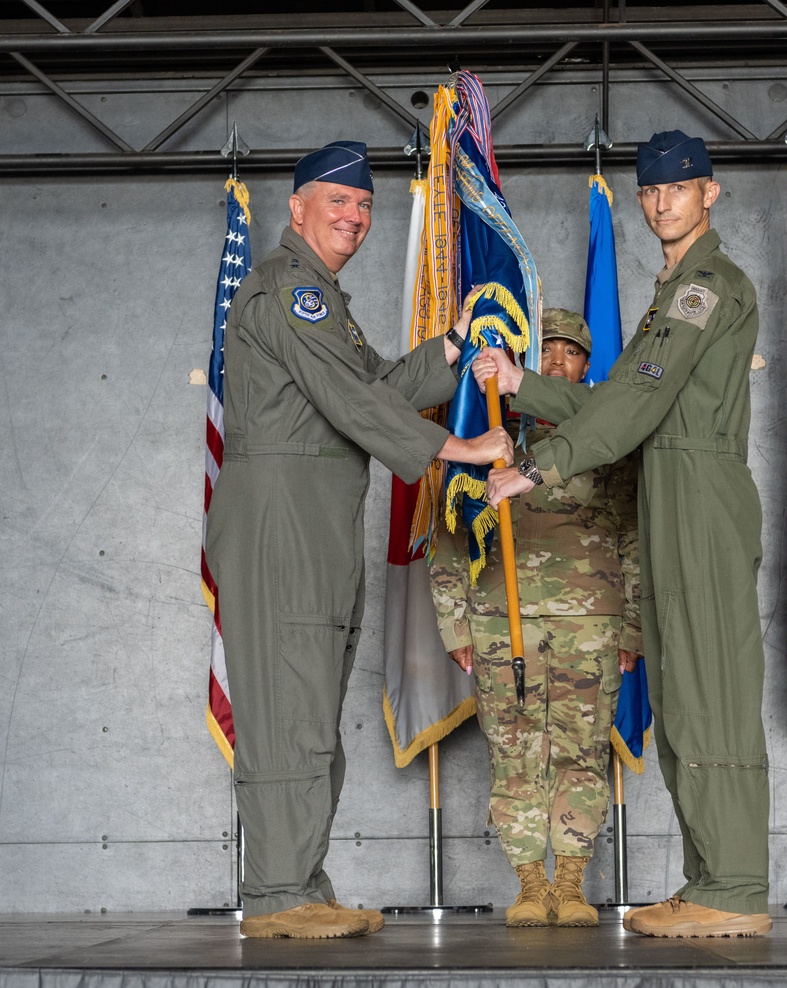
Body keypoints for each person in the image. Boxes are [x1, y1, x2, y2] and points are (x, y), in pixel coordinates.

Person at [204, 140, 512, 940]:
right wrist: (460, 449)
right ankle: (276, 895)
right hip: (282, 520)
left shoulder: (324, 300)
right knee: (286, 707)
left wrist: (452, 345)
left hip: (313, 517)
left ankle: (301, 882)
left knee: (310, 706)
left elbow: (375, 386)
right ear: (297, 207)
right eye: (338, 202)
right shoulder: (286, 293)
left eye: (367, 206)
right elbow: (355, 404)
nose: (355, 217)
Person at [475, 131, 771, 938]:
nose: (660, 202)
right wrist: (523, 384)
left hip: (701, 497)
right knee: (682, 705)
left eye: (678, 189)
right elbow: (619, 400)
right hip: (670, 495)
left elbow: (634, 404)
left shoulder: (704, 288)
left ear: (711, 195)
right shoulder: (668, 291)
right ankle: (711, 879)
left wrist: (539, 469)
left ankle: (737, 887)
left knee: (711, 699)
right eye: (649, 191)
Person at [431, 309, 642, 928]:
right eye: (544, 351)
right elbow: (450, 528)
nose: (555, 363)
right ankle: (529, 884)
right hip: (502, 619)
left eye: (569, 353)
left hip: (590, 623)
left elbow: (633, 533)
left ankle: (572, 882)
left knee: (581, 752)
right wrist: (455, 622)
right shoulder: (487, 429)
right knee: (514, 751)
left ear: (586, 364)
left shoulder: (609, 433)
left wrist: (632, 626)